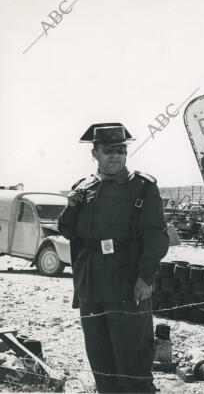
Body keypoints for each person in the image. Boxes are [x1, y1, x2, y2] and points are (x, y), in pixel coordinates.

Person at [58, 123, 169, 393]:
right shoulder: (83, 189)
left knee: (133, 361)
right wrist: (71, 206)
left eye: (121, 149)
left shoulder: (142, 188)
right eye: (108, 150)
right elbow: (68, 231)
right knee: (100, 359)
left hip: (126, 283)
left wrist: (146, 277)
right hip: (91, 285)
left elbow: (156, 237)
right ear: (95, 153)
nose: (115, 155)